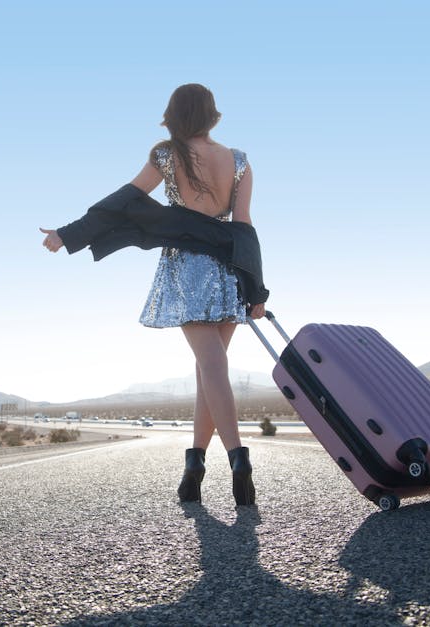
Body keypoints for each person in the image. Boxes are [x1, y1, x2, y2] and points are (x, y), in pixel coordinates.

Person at [40, 83, 267, 507]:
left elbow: (123, 201)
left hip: (188, 266)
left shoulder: (167, 155)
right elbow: (244, 225)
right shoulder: (238, 161)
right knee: (209, 371)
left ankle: (239, 459)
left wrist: (68, 234)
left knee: (211, 368)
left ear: (175, 115)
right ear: (212, 114)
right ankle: (194, 468)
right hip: (229, 268)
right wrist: (257, 288)